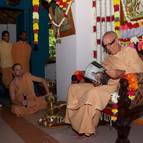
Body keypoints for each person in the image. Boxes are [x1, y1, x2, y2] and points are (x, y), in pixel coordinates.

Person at [64, 31, 143, 136]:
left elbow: (139, 71)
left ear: (117, 40)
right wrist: (97, 79)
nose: (108, 48)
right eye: (105, 46)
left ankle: (85, 127)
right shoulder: (108, 58)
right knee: (74, 88)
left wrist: (119, 73)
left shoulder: (129, 52)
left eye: (110, 44)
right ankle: (73, 121)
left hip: (118, 86)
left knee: (93, 93)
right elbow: (102, 74)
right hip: (105, 84)